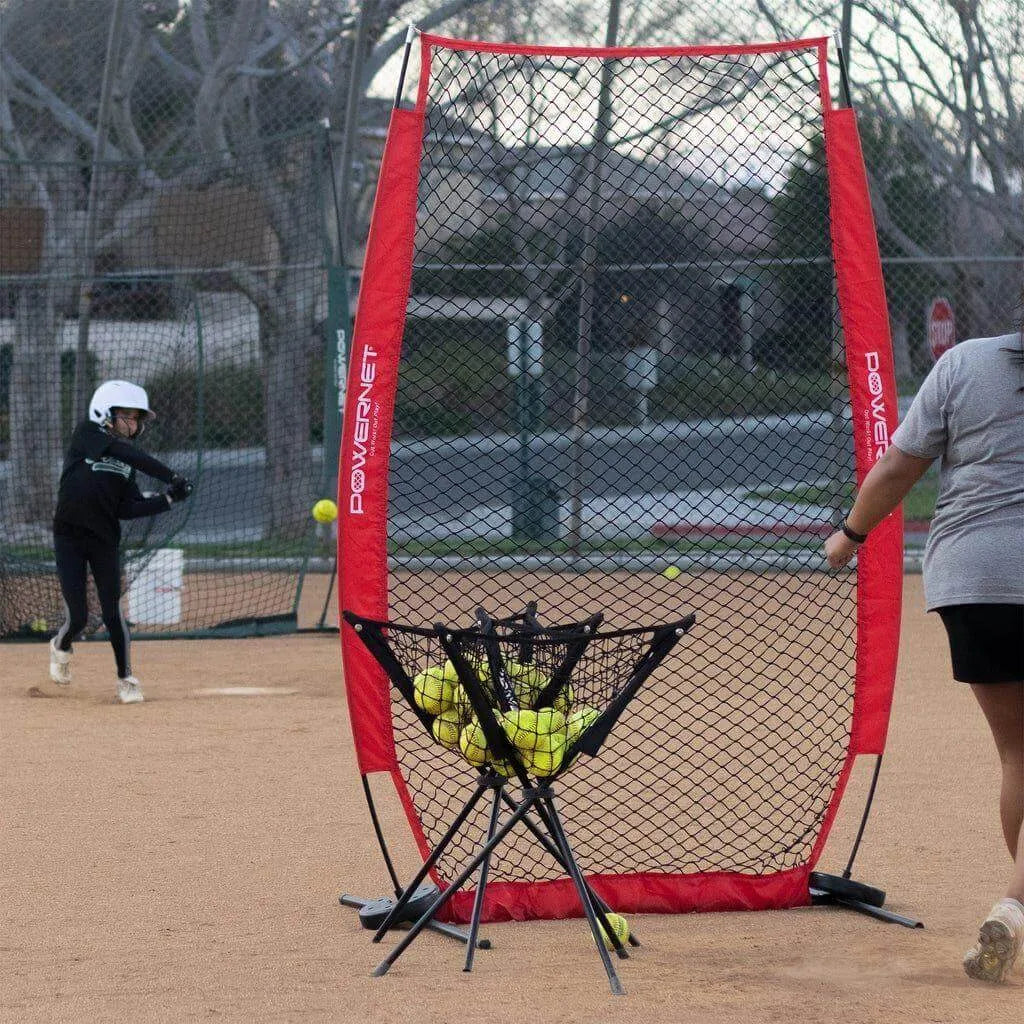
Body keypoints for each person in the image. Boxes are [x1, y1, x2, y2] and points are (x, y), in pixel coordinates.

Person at [825, 325, 1024, 983]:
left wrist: (849, 536)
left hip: (973, 582)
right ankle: (1016, 906)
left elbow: (897, 467)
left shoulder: (966, 363)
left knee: (1018, 753)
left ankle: (1020, 908)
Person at [49, 380, 194, 704]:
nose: (134, 425)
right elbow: (122, 451)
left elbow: (127, 509)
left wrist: (169, 499)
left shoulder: (127, 464)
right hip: (69, 537)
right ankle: (61, 645)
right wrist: (170, 476)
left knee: (113, 610)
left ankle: (125, 677)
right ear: (106, 414)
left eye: (137, 419)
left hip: (104, 540)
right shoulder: (86, 434)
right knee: (79, 617)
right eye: (127, 417)